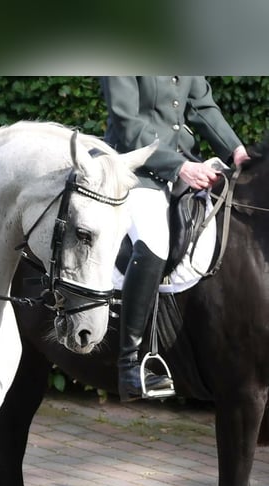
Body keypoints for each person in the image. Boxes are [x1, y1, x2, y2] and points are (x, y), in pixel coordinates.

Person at [100, 76, 250, 402]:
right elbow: (127, 125)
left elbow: (201, 106)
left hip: (185, 164)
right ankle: (130, 364)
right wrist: (180, 167)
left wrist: (237, 152)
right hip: (136, 168)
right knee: (154, 241)